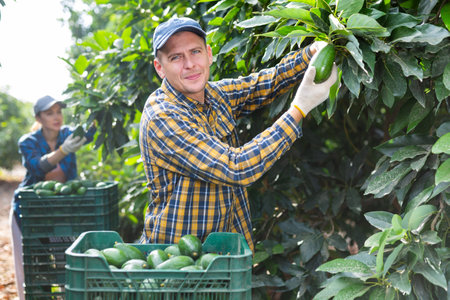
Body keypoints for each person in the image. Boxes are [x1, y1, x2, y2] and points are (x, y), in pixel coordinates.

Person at [139, 17, 337, 252]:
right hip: (178, 264)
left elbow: (266, 83)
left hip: (224, 256)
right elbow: (236, 167)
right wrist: (299, 109)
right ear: (159, 68)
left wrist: (312, 51)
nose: (190, 64)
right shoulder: (162, 116)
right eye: (176, 57)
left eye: (195, 52)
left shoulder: (214, 95)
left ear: (209, 54)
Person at [10, 95, 95, 300]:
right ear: (38, 118)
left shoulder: (67, 133)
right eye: (50, 113)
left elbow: (90, 131)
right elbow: (38, 167)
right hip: (28, 211)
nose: (57, 117)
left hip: (61, 209)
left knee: (64, 257)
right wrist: (64, 150)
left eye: (59, 111)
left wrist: (99, 109)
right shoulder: (28, 141)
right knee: (32, 264)